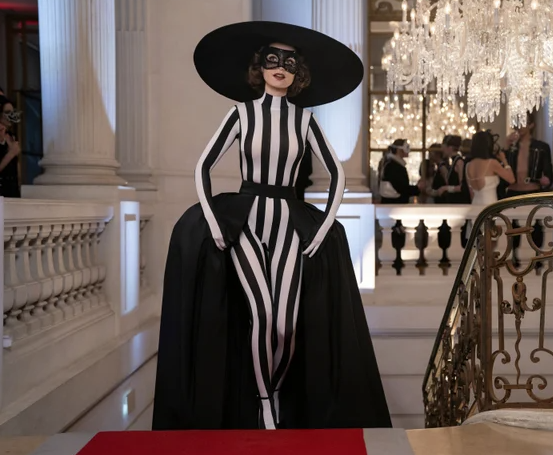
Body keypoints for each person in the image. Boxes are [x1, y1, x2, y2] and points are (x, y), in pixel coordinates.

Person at [152, 21, 391, 431]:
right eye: (273, 60)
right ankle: (266, 403)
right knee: (262, 316)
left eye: (290, 63)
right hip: (245, 221)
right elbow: (203, 166)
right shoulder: (241, 113)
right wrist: (213, 221)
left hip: (289, 223)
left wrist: (323, 227)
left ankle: (274, 391)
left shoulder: (305, 120)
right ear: (260, 66)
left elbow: (337, 174)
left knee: (285, 324)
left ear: (299, 73)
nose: (281, 68)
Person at [465, 131, 515, 205]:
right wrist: (504, 161)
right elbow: (511, 179)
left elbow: (471, 193)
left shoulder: (468, 165)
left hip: (475, 204)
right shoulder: (491, 163)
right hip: (489, 205)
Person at [378, 139, 423, 204]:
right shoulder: (393, 166)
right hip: (394, 204)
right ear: (399, 150)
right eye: (407, 147)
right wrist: (417, 188)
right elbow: (401, 188)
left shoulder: (393, 164)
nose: (409, 150)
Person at [0, 95, 22, 197]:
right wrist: (11, 153)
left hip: (12, 192)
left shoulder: (11, 136)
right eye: (7, 112)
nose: (11, 116)